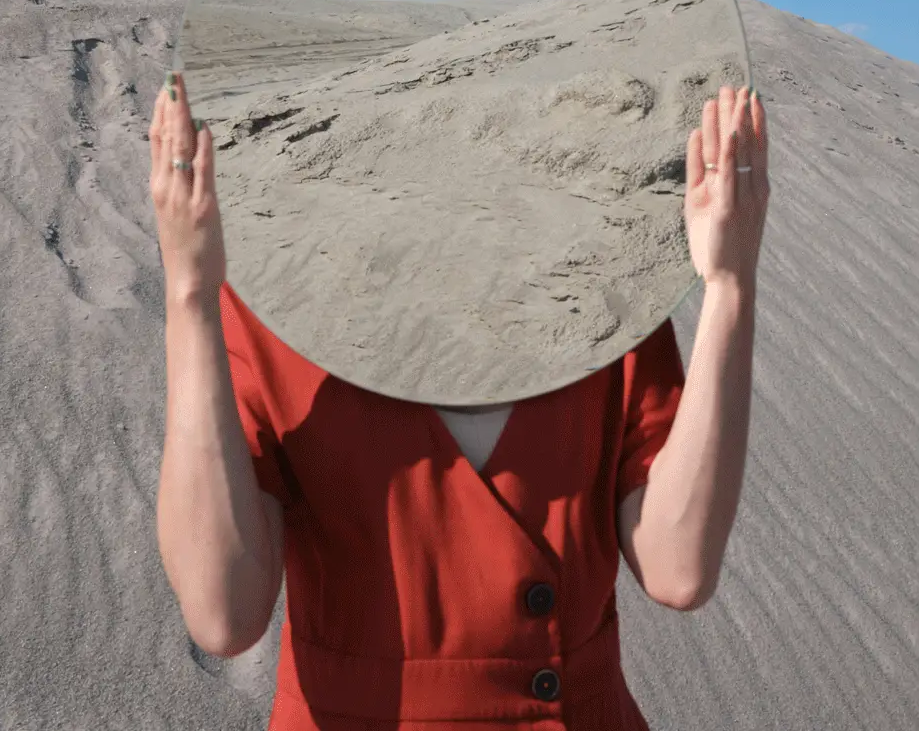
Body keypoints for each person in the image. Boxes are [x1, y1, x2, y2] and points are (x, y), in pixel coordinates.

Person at [152, 70, 769, 730]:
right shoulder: (273, 315)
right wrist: (191, 297)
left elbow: (680, 571)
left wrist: (730, 285)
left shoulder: (602, 297)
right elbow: (224, 614)